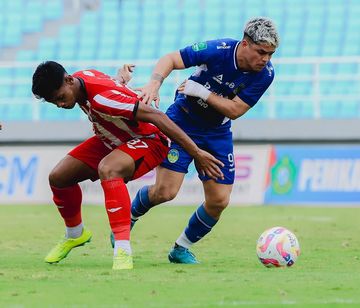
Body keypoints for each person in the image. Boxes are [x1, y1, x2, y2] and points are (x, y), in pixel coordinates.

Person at [31, 61, 223, 270]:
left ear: (69, 80)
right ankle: (75, 234)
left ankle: (122, 249)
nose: (60, 105)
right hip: (111, 136)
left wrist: (196, 152)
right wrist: (121, 81)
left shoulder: (102, 99)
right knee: (58, 178)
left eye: (60, 98)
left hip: (149, 139)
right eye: (54, 103)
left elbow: (156, 115)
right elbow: (112, 88)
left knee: (109, 168)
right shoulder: (82, 77)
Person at [129, 17, 280, 264]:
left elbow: (234, 110)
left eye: (271, 54)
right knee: (165, 192)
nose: (265, 59)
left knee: (219, 200)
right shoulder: (218, 50)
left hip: (217, 132)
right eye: (261, 52)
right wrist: (154, 84)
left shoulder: (265, 74)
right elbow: (171, 59)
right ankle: (130, 217)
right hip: (181, 121)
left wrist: (200, 91)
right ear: (245, 44)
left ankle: (181, 249)